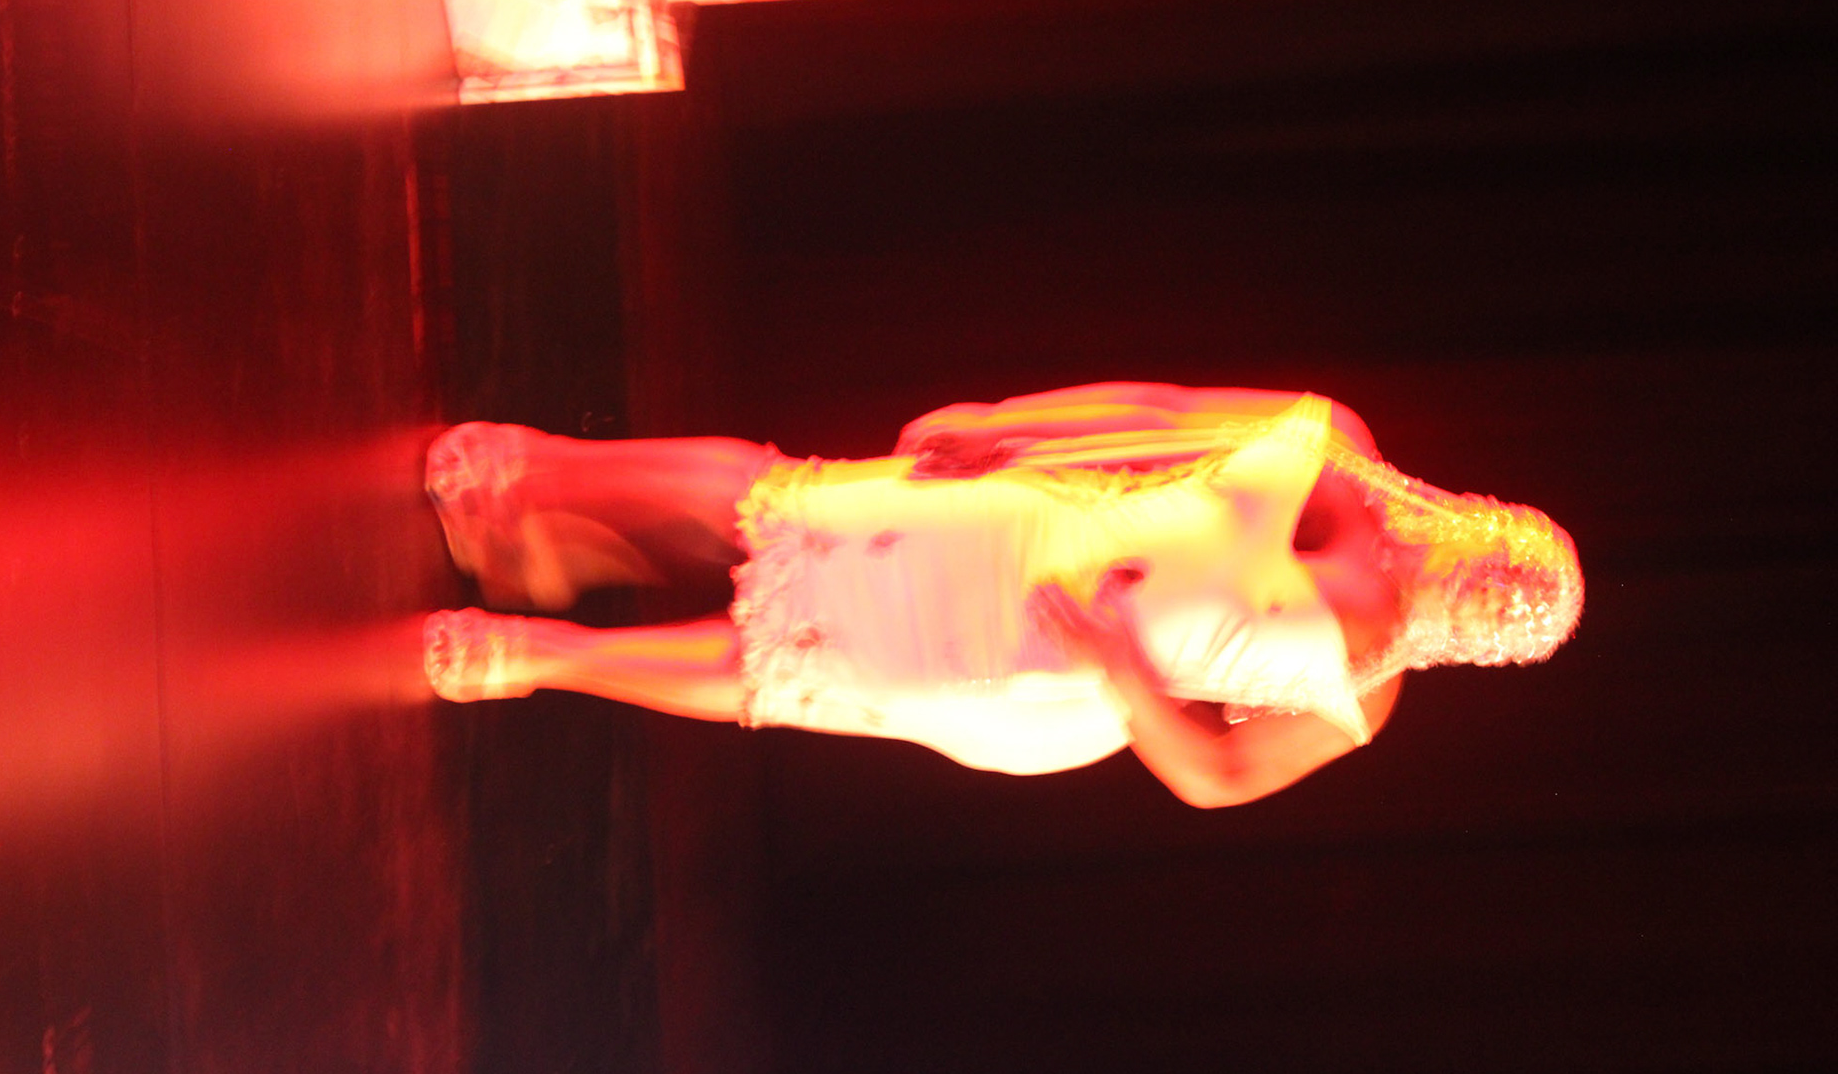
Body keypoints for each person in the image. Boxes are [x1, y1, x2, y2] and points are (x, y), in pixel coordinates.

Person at [423, 383, 1582, 807]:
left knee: (787, 664)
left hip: (1046, 672)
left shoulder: (1366, 694)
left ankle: (533, 651)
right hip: (1033, 519)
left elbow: (1217, 775)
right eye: (1492, 575)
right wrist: (1009, 424)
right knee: (778, 498)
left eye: (1496, 619)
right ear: (1482, 521)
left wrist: (1124, 668)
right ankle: (545, 486)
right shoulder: (1342, 447)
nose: (1476, 598)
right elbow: (1160, 415)